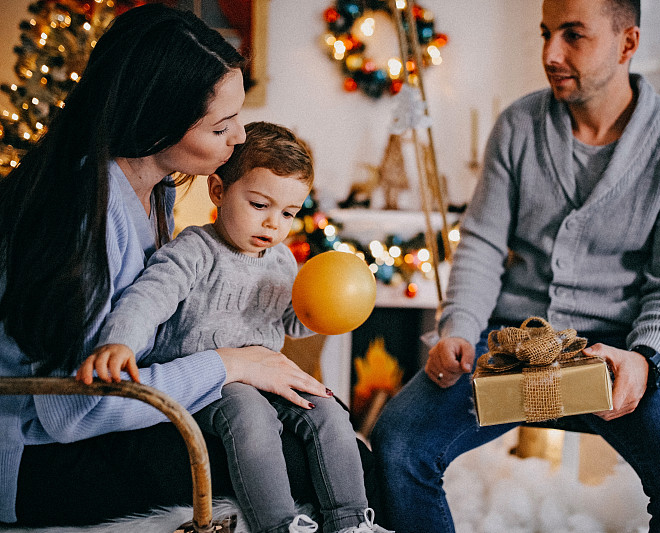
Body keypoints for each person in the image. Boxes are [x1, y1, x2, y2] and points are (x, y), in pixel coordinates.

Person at [0, 4, 377, 529]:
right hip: (41, 457)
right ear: (160, 122)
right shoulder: (81, 212)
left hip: (117, 422)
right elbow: (72, 409)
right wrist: (228, 365)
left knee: (332, 440)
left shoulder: (155, 194)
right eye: (223, 125)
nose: (241, 137)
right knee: (330, 465)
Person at [371, 0, 660, 531]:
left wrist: (646, 359)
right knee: (396, 443)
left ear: (627, 44)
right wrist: (460, 328)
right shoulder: (518, 125)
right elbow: (481, 245)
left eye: (573, 35)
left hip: (624, 347)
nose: (550, 53)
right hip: (513, 341)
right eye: (546, 33)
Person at [76, 121, 392, 533]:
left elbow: (292, 324)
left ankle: (349, 521)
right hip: (209, 383)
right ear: (219, 191)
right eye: (259, 205)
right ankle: (279, 524)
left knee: (329, 410)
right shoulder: (194, 249)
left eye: (288, 213)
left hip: (268, 375)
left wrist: (328, 310)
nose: (273, 224)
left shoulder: (281, 261)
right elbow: (147, 299)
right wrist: (120, 343)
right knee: (251, 416)